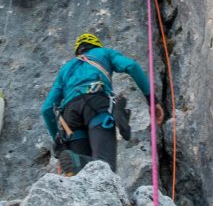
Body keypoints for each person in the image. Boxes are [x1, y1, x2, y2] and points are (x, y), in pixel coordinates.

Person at [41, 32, 164, 176]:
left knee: (79, 177)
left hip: (69, 116)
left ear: (78, 51)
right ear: (96, 45)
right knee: (105, 166)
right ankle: (79, 160)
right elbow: (131, 66)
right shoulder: (104, 53)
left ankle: (76, 161)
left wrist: (59, 139)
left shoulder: (66, 68)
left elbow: (47, 109)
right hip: (96, 104)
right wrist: (152, 101)